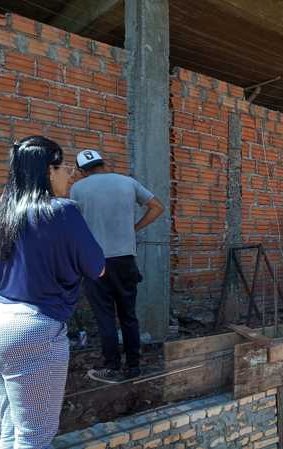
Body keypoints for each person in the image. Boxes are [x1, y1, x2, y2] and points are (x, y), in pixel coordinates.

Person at [0, 136, 105, 449]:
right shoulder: (62, 211)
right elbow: (97, 267)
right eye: (64, 170)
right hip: (31, 331)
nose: (69, 177)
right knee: (34, 439)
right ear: (49, 171)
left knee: (11, 429)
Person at [70, 149, 165, 383]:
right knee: (128, 315)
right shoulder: (127, 182)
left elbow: (73, 226)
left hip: (95, 262)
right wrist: (134, 228)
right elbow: (157, 207)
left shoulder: (78, 189)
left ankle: (112, 367)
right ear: (103, 164)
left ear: (82, 171)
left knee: (105, 317)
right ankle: (134, 366)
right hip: (125, 260)